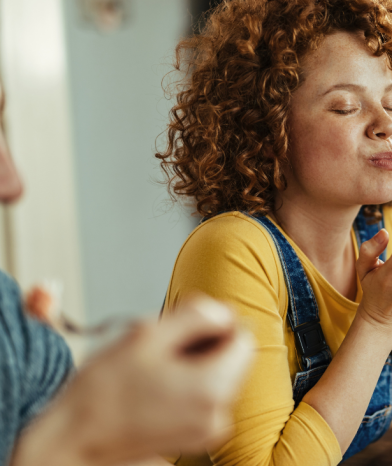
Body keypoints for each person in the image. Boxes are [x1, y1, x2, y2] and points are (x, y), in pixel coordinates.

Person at [156, 0, 392, 464]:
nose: (389, 125)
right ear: (270, 131)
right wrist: (378, 322)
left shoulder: (383, 224)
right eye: (346, 107)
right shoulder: (231, 252)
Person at [0, 81, 254, 465]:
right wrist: (79, 438)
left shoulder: (14, 327)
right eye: (344, 107)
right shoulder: (232, 245)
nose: (13, 184)